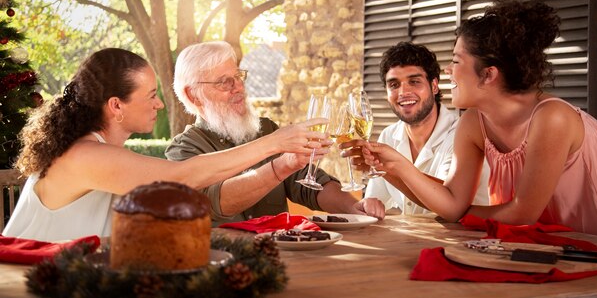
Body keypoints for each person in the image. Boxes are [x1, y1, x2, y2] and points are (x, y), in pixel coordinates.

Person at [345, 0, 597, 240]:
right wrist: (393, 167)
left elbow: (521, 213)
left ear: (488, 74)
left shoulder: (552, 117)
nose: (447, 71)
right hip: (559, 247)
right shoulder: (473, 123)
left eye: (456, 61)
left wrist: (452, 214)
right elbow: (452, 203)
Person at [3, 48, 328, 242]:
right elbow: (183, 177)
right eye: (151, 96)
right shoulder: (85, 156)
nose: (159, 105)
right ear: (116, 106)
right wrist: (273, 143)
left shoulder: (100, 151)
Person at [165, 41, 385, 225]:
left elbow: (308, 184)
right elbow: (212, 203)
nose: (238, 87)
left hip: (280, 257)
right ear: (193, 95)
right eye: (224, 82)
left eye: (238, 76)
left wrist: (353, 207)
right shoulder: (183, 151)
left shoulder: (265, 129)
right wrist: (281, 164)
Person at [363, 42, 489, 215]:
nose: (403, 92)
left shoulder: (461, 134)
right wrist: (369, 204)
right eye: (394, 85)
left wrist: (396, 167)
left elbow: (447, 205)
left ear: (434, 85)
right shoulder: (388, 136)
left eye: (414, 82)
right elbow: (377, 200)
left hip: (464, 238)